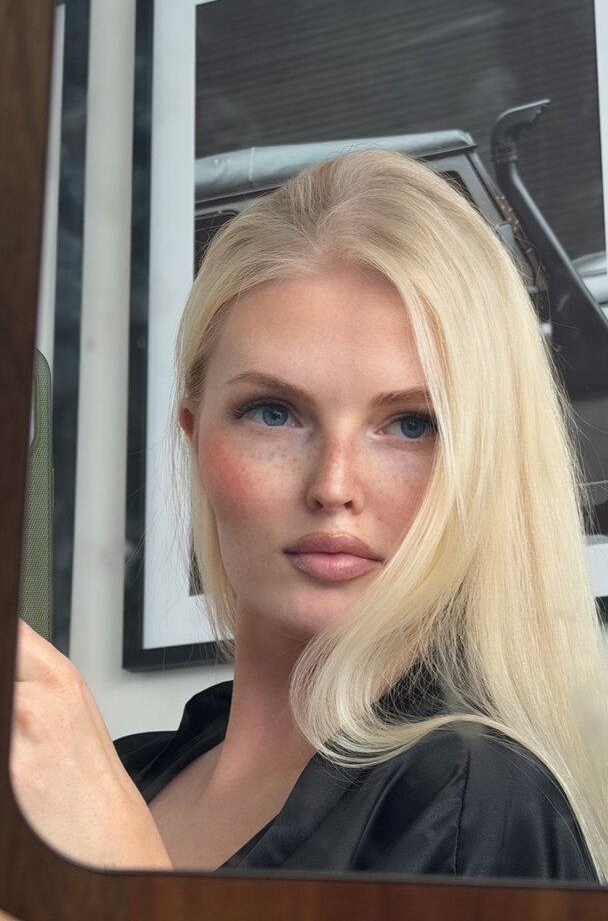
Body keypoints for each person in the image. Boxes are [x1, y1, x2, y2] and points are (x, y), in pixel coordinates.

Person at [11, 150, 608, 879]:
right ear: (196, 438)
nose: (333, 485)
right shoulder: (110, 775)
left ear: (487, 461)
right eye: (274, 413)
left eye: (411, 424)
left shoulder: (477, 799)